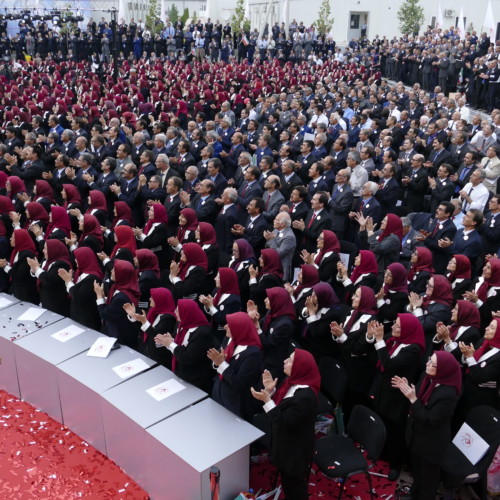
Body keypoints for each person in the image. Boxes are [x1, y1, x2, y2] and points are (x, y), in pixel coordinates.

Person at [251, 349, 320, 500]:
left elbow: (284, 421)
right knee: (288, 481)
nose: (285, 361)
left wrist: (267, 401)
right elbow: (284, 405)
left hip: (294, 452)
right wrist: (271, 391)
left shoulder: (306, 397)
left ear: (299, 368)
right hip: (285, 443)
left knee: (294, 487)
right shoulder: (292, 381)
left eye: (290, 361)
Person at [392, 351, 462, 500]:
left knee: (428, 480)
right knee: (417, 473)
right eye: (429, 359)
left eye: (432, 363)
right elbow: (418, 398)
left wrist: (412, 398)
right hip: (417, 436)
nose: (427, 364)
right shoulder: (427, 377)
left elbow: (430, 419)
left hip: (432, 444)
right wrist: (409, 390)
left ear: (443, 369)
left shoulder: (448, 393)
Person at [367, 314, 425, 482]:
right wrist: (373, 336)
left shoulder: (413, 349)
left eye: (398, 326)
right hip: (383, 389)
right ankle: (383, 453)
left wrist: (379, 340)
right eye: (395, 324)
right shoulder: (393, 339)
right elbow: (377, 349)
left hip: (397, 395)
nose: (393, 327)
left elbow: (390, 365)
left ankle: (395, 464)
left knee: (395, 431)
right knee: (382, 422)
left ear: (408, 330)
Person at [208, 311, 263, 421]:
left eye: (230, 325)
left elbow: (240, 382)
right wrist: (217, 362)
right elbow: (218, 358)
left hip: (235, 403)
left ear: (239, 328)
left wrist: (222, 364)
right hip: (219, 392)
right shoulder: (230, 338)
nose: (225, 327)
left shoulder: (253, 353)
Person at [156, 299, 215, 392]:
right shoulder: (181, 325)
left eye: (178, 310)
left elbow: (187, 356)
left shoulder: (203, 333)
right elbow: (179, 347)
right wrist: (169, 341)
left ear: (187, 313)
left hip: (195, 381)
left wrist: (170, 344)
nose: (175, 311)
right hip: (179, 373)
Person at [248, 287, 295, 382]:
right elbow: (260, 323)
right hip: (262, 356)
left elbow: (267, 344)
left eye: (268, 298)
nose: (265, 300)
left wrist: (257, 326)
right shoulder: (272, 312)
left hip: (272, 365)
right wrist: (253, 316)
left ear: (277, 301)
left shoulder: (285, 325)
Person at [458, 318, 500, 418]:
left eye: (492, 327)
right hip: (464, 391)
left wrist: (469, 357)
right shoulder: (484, 341)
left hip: (479, 400)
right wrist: (466, 355)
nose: (486, 328)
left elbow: (479, 376)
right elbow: (469, 361)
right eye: (488, 325)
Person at [94, 259, 141, 348]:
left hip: (121, 338)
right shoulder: (119, 287)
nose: (111, 271)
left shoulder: (122, 297)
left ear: (122, 275)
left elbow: (106, 314)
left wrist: (99, 295)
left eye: (115, 270)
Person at [124, 287, 176, 366]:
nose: (150, 298)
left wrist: (144, 321)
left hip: (159, 357)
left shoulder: (169, 318)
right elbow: (144, 327)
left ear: (160, 300)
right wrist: (134, 316)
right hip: (147, 351)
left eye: (152, 297)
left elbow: (157, 336)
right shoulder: (154, 311)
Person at [58, 247, 103, 330]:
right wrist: (69, 281)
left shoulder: (93, 278)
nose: (75, 260)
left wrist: (68, 281)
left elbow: (78, 297)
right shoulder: (80, 273)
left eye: (77, 258)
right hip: (77, 316)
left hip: (87, 320)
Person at [27, 239, 71, 317]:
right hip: (45, 299)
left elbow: (48, 280)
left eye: (45, 248)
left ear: (54, 250)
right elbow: (40, 274)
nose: (43, 251)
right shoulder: (47, 259)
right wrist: (34, 270)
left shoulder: (62, 264)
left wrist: (36, 268)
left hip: (56, 304)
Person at [200, 267, 241, 343]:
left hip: (222, 336)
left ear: (226, 279)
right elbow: (209, 315)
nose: (215, 278)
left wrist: (211, 306)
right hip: (211, 331)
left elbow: (223, 320)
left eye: (218, 277)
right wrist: (206, 305)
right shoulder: (216, 291)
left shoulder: (234, 299)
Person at [0, 228, 39, 304]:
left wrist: (5, 266)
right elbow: (16, 267)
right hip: (17, 290)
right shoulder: (18, 251)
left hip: (26, 294)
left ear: (20, 239)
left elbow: (19, 275)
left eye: (13, 237)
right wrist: (7, 264)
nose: (10, 239)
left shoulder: (27, 255)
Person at [249, 248, 284, 316]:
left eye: (261, 258)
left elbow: (255, 292)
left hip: (262, 312)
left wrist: (252, 277)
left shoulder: (270, 278)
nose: (259, 259)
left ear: (269, 260)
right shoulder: (264, 273)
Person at [376, 262, 409, 332]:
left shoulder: (402, 295)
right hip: (377, 319)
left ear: (397, 277)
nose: (385, 275)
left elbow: (391, 315)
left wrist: (380, 300)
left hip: (388, 327)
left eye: (389, 275)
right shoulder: (385, 285)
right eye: (386, 272)